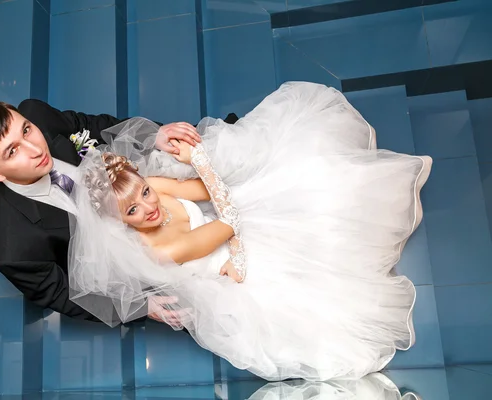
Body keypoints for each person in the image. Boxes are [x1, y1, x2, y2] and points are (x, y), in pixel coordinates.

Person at [67, 82, 432, 381]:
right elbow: (228, 223)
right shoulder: (160, 250)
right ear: (121, 221)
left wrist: (203, 170)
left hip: (228, 224)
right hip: (231, 268)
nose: (149, 207)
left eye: (145, 192)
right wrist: (200, 165)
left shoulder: (154, 187)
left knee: (312, 175)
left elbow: (209, 192)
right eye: (133, 210)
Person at [0, 98, 237, 323]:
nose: (35, 149)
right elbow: (58, 293)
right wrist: (140, 307)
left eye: (26, 130)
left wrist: (152, 135)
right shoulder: (12, 247)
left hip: (142, 188)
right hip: (134, 256)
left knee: (228, 165)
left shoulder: (35, 112)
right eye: (12, 152)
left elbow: (87, 125)